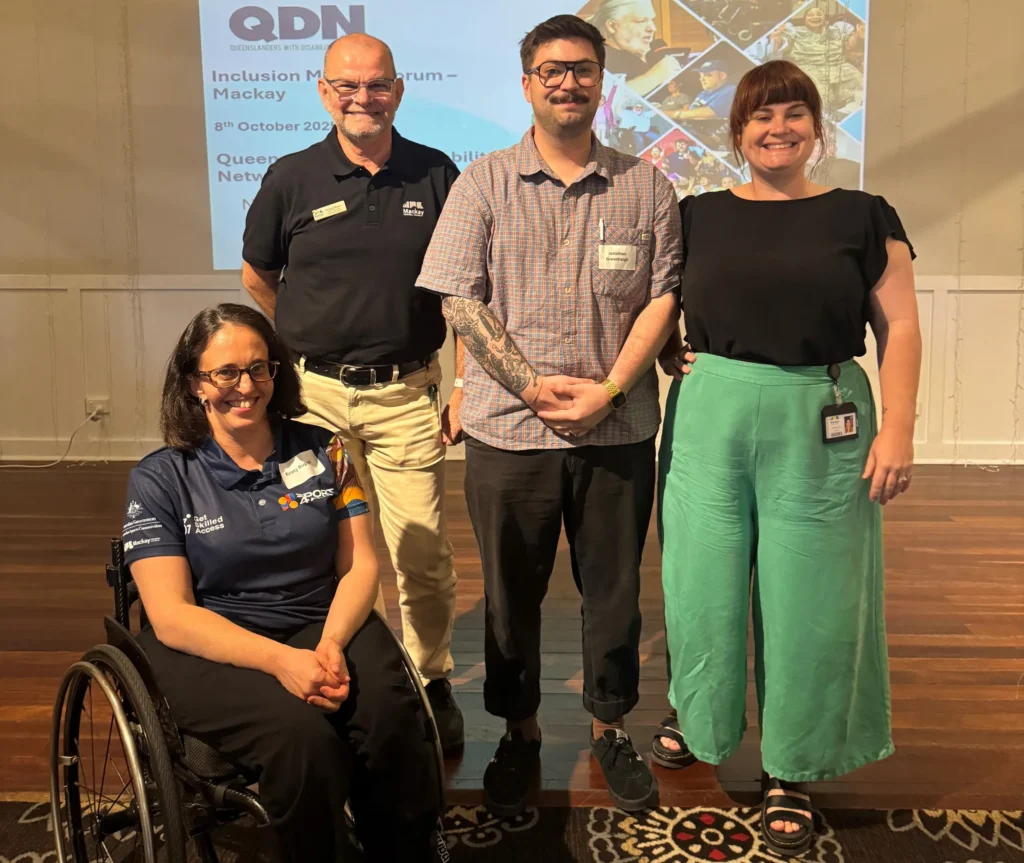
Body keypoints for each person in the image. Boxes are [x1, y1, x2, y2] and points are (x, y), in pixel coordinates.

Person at [416, 14, 682, 817]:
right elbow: (460, 298)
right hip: (508, 434)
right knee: (511, 594)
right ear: (527, 82)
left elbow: (663, 297)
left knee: (614, 594)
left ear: (603, 81)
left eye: (584, 68)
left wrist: (608, 390)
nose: (569, 81)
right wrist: (530, 386)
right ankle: (519, 730)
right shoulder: (483, 183)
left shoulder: (647, 186)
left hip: (619, 430)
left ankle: (610, 726)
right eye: (552, 69)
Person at [655, 60, 920, 857]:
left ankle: (792, 764)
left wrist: (899, 428)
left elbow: (899, 328)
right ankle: (698, 714)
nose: (778, 128)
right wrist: (669, 350)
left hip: (823, 410)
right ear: (736, 133)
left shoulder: (864, 214)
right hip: (711, 414)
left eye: (793, 113)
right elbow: (663, 302)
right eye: (761, 116)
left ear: (816, 126)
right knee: (699, 578)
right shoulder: (696, 213)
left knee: (811, 593)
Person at [120, 304, 441, 862]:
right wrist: (279, 661)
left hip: (321, 619)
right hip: (210, 642)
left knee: (391, 713)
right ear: (195, 383)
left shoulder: (326, 449)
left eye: (259, 368)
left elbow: (362, 564)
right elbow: (170, 615)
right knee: (303, 739)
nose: (246, 387)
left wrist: (332, 644)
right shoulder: (161, 478)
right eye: (226, 373)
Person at [241, 33, 464, 753]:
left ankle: (430, 680)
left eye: (375, 85)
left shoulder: (436, 173)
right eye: (346, 85)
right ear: (322, 90)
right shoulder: (290, 176)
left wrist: (462, 382)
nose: (361, 98)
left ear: (398, 90)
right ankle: (337, 667)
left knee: (420, 553)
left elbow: (465, 289)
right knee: (319, 547)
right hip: (313, 402)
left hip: (405, 396)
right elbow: (258, 277)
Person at [590, 0, 681, 96]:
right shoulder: (593, 59)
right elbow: (603, 102)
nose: (652, 28)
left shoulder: (645, 53)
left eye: (652, 20)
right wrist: (656, 76)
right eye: (641, 21)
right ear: (612, 26)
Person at [667, 59, 737, 121]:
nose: (702, 79)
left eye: (707, 75)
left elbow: (710, 112)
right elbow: (690, 111)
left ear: (722, 76)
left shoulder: (731, 91)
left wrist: (675, 114)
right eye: (700, 76)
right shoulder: (704, 93)